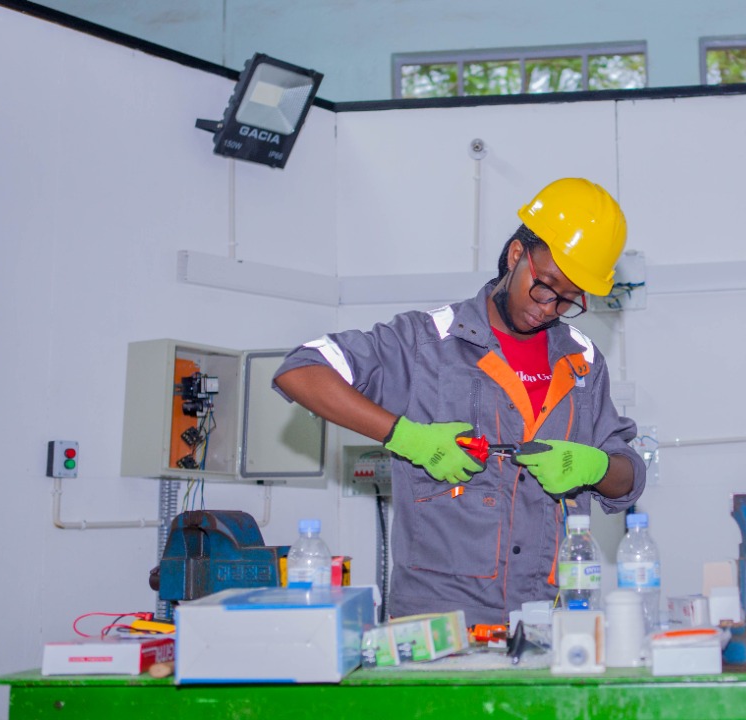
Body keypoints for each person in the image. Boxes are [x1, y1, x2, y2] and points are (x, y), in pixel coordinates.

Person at [272, 177, 647, 625]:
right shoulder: (425, 343)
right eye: (544, 286)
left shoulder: (582, 361)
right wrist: (407, 437)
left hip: (547, 621)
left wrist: (596, 467)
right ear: (516, 255)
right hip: (439, 626)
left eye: (567, 300)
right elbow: (301, 370)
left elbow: (629, 476)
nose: (548, 307)